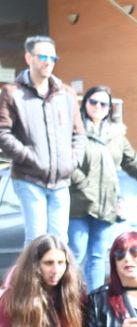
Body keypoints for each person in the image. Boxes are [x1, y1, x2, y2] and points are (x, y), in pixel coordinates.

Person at [68, 86, 137, 289]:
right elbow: (67, 162)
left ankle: (94, 300)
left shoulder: (116, 135)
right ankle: (67, 298)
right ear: (85, 104)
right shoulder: (74, 129)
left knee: (97, 256)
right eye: (93, 102)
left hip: (106, 206)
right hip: (79, 204)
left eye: (103, 104)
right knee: (75, 253)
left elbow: (136, 164)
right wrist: (82, 184)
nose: (98, 107)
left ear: (109, 108)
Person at [0, 36, 83, 243]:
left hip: (61, 180)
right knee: (36, 238)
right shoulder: (12, 93)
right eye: (43, 57)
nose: (49, 62)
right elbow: (3, 133)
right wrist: (28, 157)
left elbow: (79, 134)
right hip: (29, 177)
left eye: (53, 58)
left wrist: (73, 160)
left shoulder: (66, 93)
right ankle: (32, 267)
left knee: (60, 240)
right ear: (29, 58)